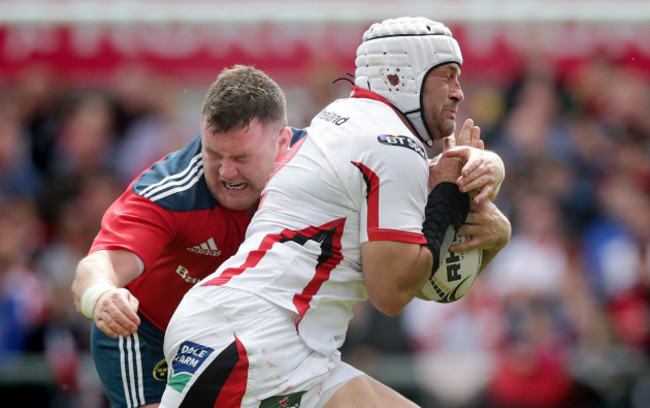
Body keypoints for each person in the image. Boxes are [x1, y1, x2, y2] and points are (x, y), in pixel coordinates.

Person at [160, 16, 511, 408]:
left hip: (274, 341)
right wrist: (452, 196)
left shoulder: (346, 123)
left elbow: (426, 279)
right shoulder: (392, 144)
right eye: (446, 76)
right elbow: (393, 292)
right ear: (400, 76)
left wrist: (480, 209)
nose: (458, 93)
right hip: (252, 338)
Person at [70, 65, 292, 408]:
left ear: (282, 143)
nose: (226, 172)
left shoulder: (312, 167)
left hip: (234, 337)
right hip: (145, 336)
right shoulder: (169, 193)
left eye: (241, 157)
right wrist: (102, 297)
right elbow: (97, 266)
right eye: (213, 154)